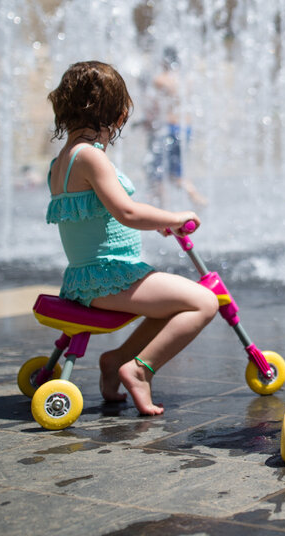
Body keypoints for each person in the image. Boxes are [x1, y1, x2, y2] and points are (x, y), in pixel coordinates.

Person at [45, 60, 218, 416]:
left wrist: (155, 222)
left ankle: (116, 361)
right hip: (109, 278)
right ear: (119, 115)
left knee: (172, 304)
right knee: (205, 302)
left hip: (86, 278)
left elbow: (102, 211)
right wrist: (174, 216)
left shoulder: (61, 161)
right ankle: (139, 369)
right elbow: (126, 212)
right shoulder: (92, 158)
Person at [143, 47, 206, 207]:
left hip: (169, 128)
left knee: (157, 171)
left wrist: (148, 122)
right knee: (175, 170)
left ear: (164, 61)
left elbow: (154, 106)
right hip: (185, 128)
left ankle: (162, 208)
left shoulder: (160, 80)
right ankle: (194, 197)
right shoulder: (186, 80)